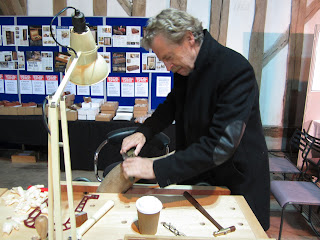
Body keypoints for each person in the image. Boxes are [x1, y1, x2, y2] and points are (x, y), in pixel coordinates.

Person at [120, 8, 270, 230]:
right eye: (163, 61)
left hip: (235, 180)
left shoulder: (236, 71)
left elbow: (220, 147)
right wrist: (145, 131)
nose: (168, 67)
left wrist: (155, 168)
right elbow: (173, 103)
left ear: (189, 38)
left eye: (169, 57)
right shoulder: (187, 67)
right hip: (200, 172)